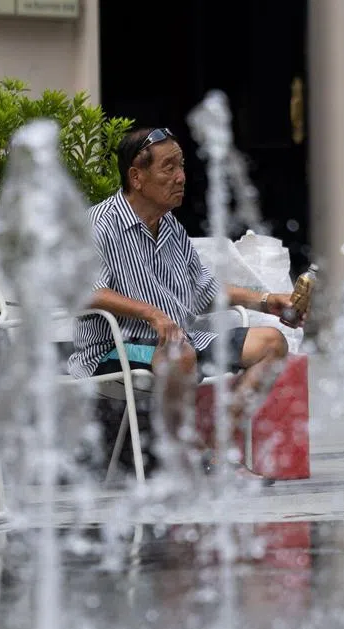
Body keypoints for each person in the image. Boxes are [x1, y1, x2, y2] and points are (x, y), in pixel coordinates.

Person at [69, 126, 303, 478]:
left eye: (181, 166)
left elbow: (205, 292)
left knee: (271, 343)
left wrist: (267, 300)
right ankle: (184, 461)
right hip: (114, 347)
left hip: (181, 339)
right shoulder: (98, 225)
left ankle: (218, 451)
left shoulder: (171, 228)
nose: (180, 177)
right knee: (179, 350)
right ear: (136, 176)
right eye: (168, 168)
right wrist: (151, 314)